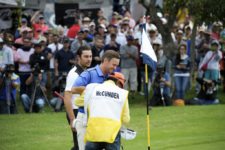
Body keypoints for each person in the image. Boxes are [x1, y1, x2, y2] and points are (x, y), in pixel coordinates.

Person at [70, 50, 120, 150]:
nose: (115, 68)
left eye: (116, 65)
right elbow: (74, 89)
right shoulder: (89, 73)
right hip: (85, 119)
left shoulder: (112, 77)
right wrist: (96, 89)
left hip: (102, 120)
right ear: (105, 60)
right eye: (113, 65)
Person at [83, 72, 130, 150]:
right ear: (118, 82)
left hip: (93, 132)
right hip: (112, 134)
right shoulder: (122, 93)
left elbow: (77, 102)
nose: (121, 88)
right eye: (121, 85)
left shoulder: (92, 89)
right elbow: (126, 119)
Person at [63, 46, 92, 150]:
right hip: (75, 112)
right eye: (86, 56)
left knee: (84, 144)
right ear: (78, 57)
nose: (89, 59)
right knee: (80, 145)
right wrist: (72, 119)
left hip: (85, 111)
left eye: (90, 56)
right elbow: (67, 97)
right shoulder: (74, 74)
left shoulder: (87, 71)